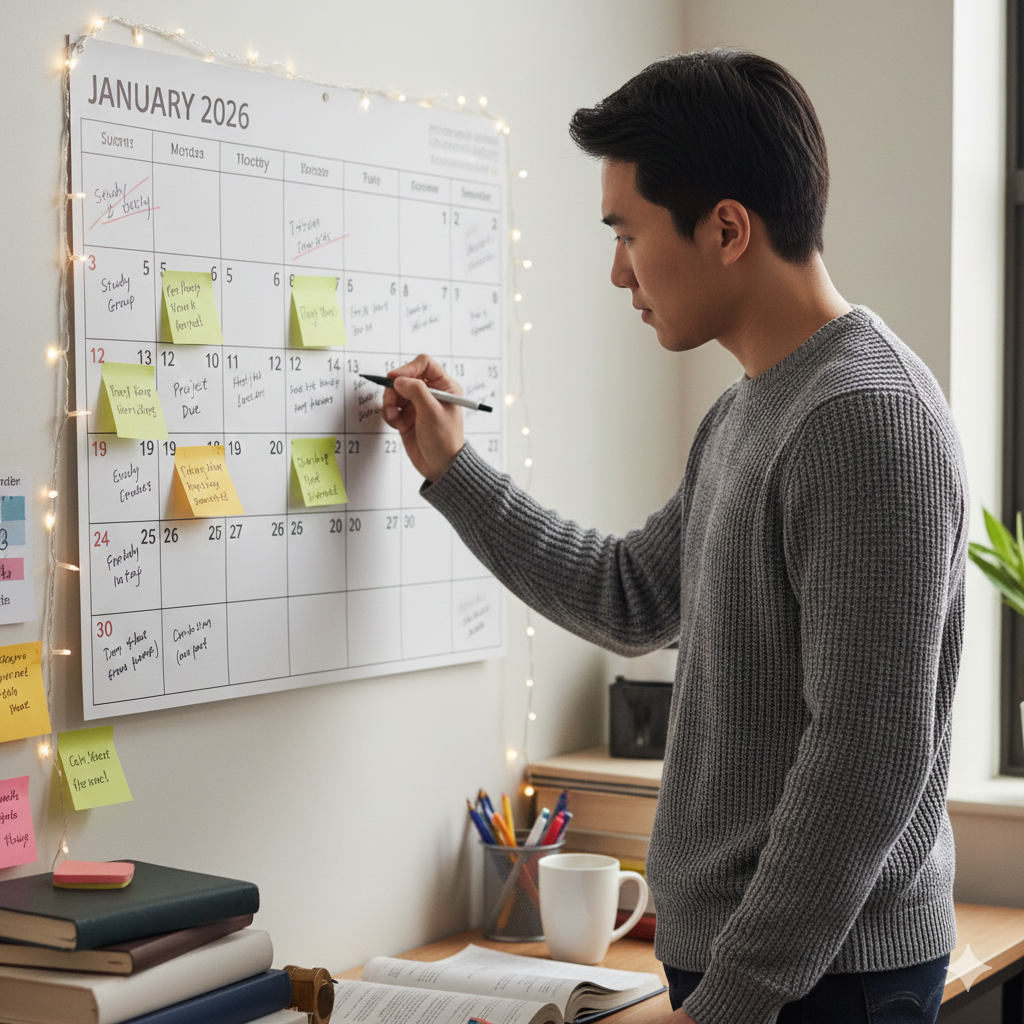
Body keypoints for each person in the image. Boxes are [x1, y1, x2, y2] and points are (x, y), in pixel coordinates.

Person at [382, 49, 966, 1024]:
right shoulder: (747, 413)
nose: (617, 271)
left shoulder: (866, 418)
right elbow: (630, 596)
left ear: (727, 229)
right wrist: (454, 469)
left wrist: (729, 1000)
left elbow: (866, 754)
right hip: (751, 973)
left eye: (627, 232)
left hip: (819, 983)